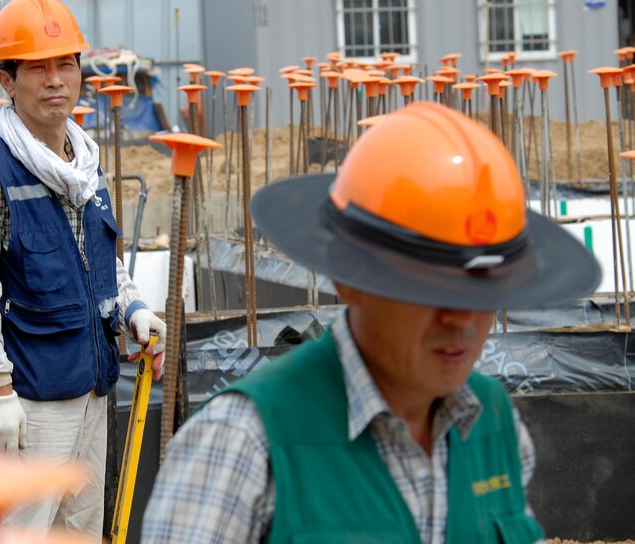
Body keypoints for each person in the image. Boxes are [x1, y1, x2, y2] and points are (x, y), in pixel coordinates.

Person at [142, 101, 601, 543]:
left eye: (483, 293)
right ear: (348, 279)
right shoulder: (243, 444)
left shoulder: (495, 426)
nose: (463, 321)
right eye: (431, 291)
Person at [0, 0, 165, 537]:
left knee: (80, 534)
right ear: (7, 80)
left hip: (93, 396)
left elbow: (102, 264)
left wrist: (132, 308)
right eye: (37, 68)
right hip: (30, 407)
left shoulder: (87, 167)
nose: (55, 81)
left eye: (65, 64)